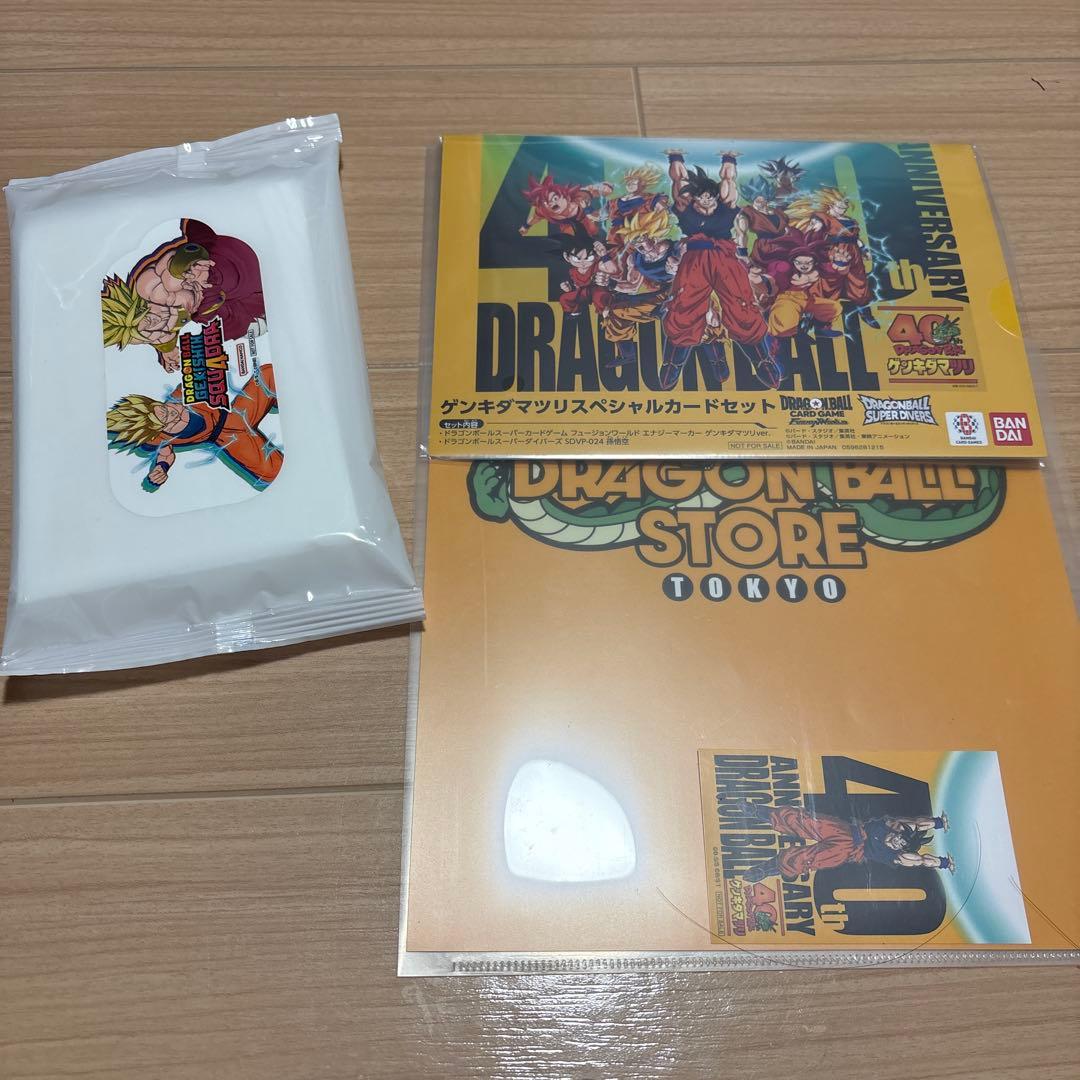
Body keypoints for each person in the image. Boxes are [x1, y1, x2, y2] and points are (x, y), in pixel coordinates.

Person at [660, 149, 779, 390]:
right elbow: (678, 180)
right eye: (702, 198)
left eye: (711, 197)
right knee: (684, 306)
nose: (707, 202)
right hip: (695, 260)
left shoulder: (725, 206)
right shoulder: (685, 208)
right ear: (695, 198)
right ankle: (673, 363)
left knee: (741, 304)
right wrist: (675, 158)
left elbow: (728, 179)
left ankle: (762, 360)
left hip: (724, 258)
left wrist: (729, 158)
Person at [106, 364, 282, 491]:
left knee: (268, 374)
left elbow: (203, 371)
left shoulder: (181, 394)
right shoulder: (157, 439)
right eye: (166, 423)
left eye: (166, 411)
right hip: (231, 441)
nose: (173, 416)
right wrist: (161, 468)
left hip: (236, 413)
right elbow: (165, 454)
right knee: (272, 473)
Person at [731, 802, 954, 882]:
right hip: (845, 830)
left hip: (846, 852)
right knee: (804, 820)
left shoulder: (894, 855)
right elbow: (915, 824)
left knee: (808, 859)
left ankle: (767, 869)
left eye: (899, 847)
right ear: (900, 833)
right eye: (900, 840)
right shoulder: (893, 826)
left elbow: (919, 860)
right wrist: (936, 822)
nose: (896, 844)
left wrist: (942, 863)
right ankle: (758, 812)